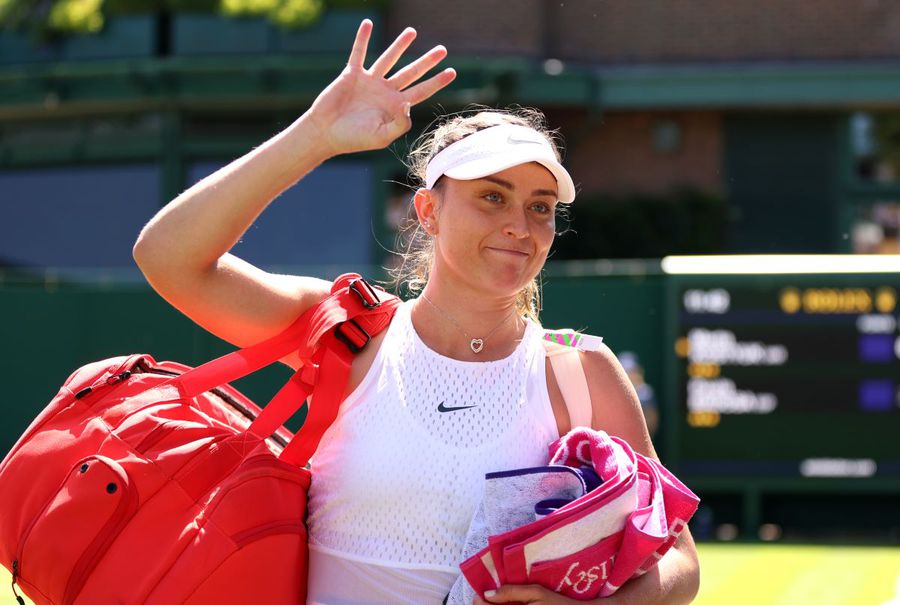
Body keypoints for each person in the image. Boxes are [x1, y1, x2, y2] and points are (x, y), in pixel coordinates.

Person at [132, 20, 699, 605]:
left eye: (541, 206)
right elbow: (168, 258)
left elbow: (678, 559)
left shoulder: (585, 374)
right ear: (427, 211)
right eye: (492, 196)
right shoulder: (347, 336)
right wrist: (315, 136)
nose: (519, 225)